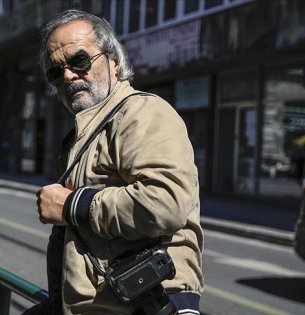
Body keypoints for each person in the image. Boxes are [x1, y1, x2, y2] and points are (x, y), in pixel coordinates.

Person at [25, 10, 204, 315]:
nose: (68, 76)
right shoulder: (88, 131)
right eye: (56, 72)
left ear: (115, 62)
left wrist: (72, 205)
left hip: (145, 305)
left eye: (79, 61)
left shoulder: (142, 113)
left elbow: (167, 202)